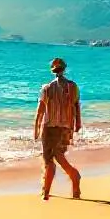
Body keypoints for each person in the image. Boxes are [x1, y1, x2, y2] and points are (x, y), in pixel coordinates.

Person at [33, 57, 82, 200]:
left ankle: (46, 191)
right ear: (64, 69)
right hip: (65, 127)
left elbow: (40, 111)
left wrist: (36, 128)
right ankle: (73, 181)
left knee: (49, 159)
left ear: (52, 71)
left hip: (49, 128)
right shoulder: (73, 87)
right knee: (58, 156)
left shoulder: (47, 88)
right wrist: (77, 123)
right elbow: (76, 106)